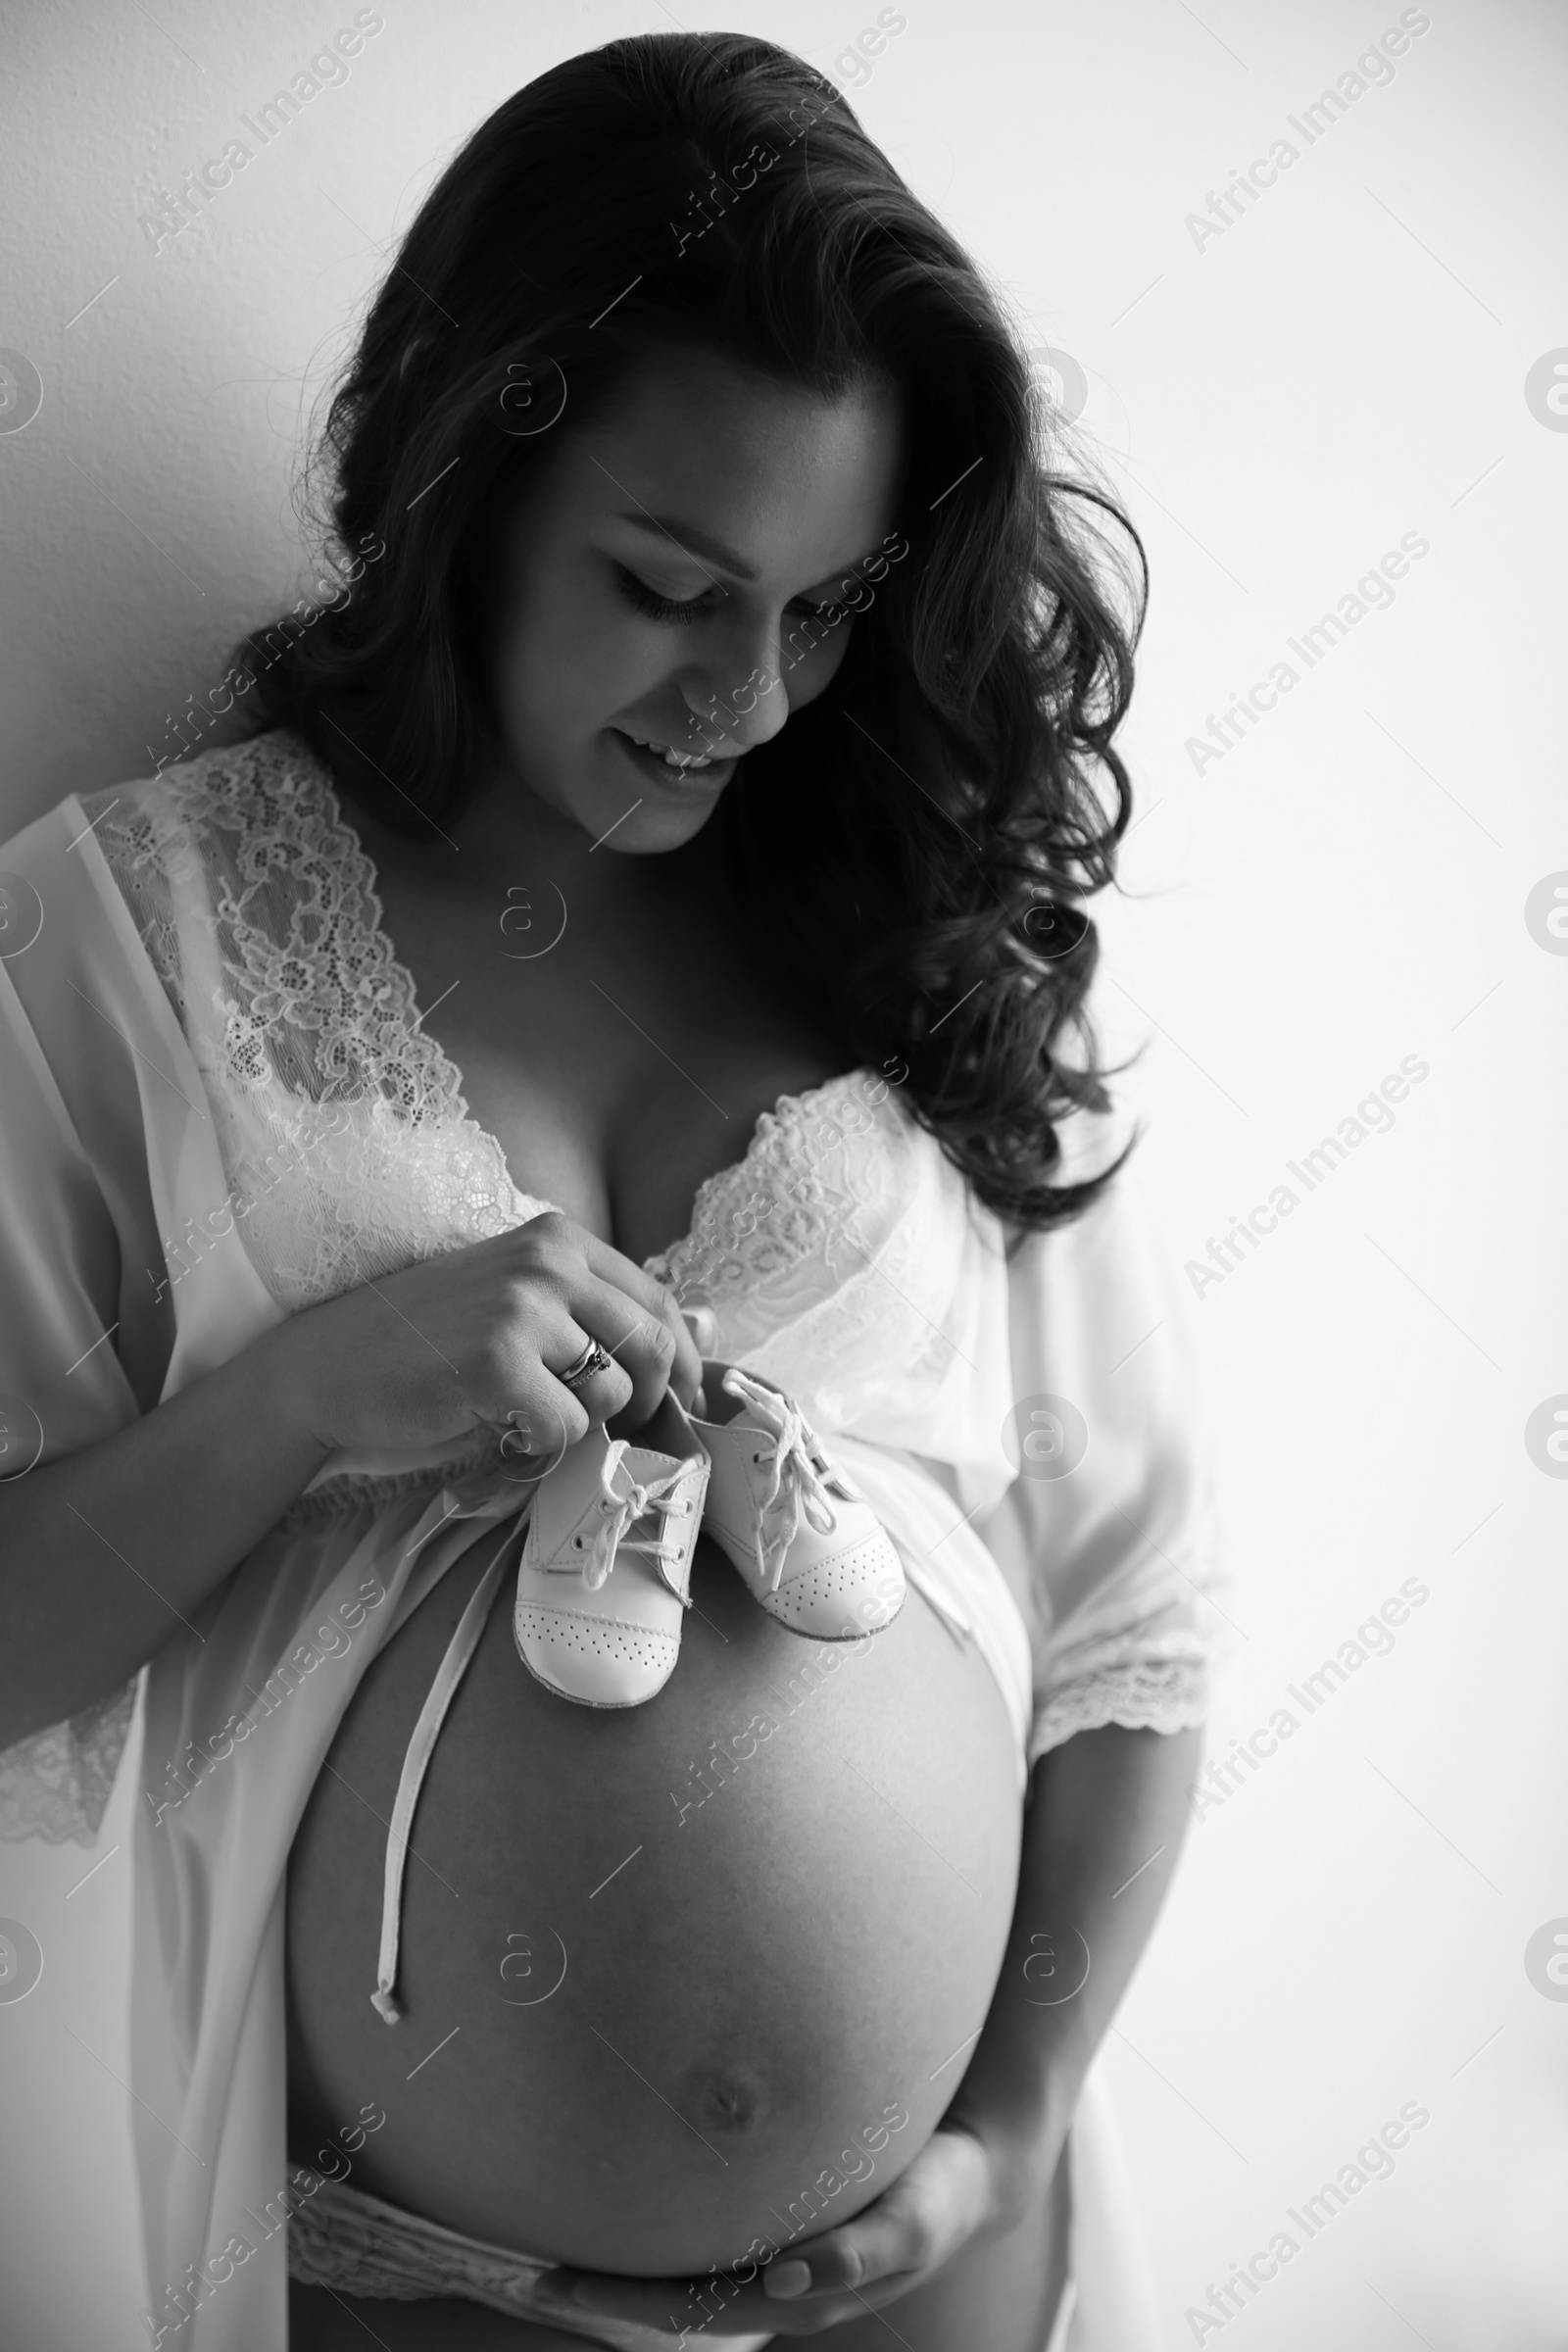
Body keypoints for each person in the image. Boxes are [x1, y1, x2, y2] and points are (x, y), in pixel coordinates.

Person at [0, 31, 1223, 2351]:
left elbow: (1136, 1614)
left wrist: (1010, 2125)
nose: (752, 695)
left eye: (833, 602)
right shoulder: (120, 941)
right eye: (668, 585)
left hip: (934, 2268)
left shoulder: (913, 929)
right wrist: (297, 1404)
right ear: (465, 484)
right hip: (408, 2269)